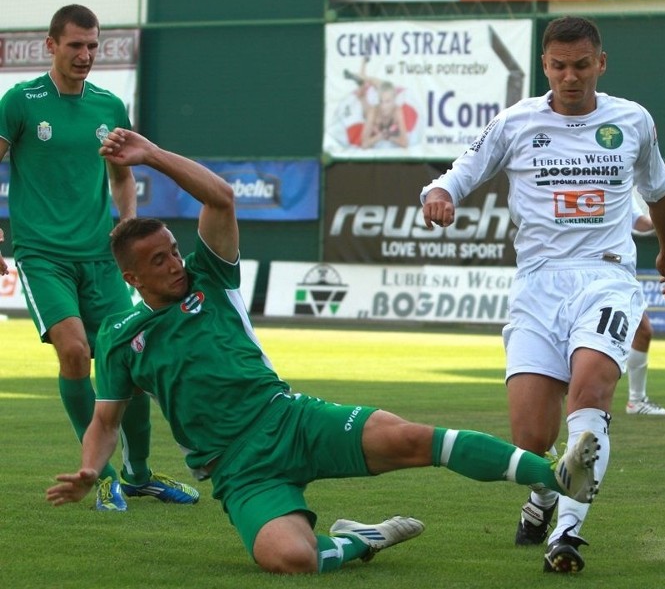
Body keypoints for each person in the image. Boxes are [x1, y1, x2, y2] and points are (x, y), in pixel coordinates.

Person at [46, 128, 602, 575]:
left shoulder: (208, 280)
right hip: (238, 471)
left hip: (288, 419)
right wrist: (91, 469)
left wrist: (153, 155)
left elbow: (220, 197)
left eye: (173, 250)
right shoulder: (121, 337)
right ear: (130, 275)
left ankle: (556, 478)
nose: (175, 263)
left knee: (412, 438)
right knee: (291, 559)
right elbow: (106, 421)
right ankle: (361, 541)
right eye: (160, 260)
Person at [420, 16, 665, 573]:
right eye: (559, 66)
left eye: (581, 65)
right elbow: (460, 173)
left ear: (600, 64)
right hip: (537, 284)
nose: (570, 77)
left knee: (589, 396)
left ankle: (566, 534)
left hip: (606, 276)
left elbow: (658, 192)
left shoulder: (632, 120)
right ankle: (540, 498)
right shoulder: (515, 122)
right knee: (530, 438)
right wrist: (440, 193)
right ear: (545, 66)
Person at [0, 4, 198, 510]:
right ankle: (102, 475)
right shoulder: (19, 102)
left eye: (93, 46)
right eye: (75, 45)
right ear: (51, 45)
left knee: (126, 360)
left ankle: (137, 474)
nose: (86, 55)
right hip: (43, 254)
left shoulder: (110, 106)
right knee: (75, 352)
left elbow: (122, 173)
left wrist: (128, 228)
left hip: (99, 256)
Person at [626, 199, 665, 416]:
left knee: (643, 331)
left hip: (615, 272)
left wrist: (662, 211)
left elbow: (641, 223)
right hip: (599, 269)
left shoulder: (618, 180)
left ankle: (636, 400)